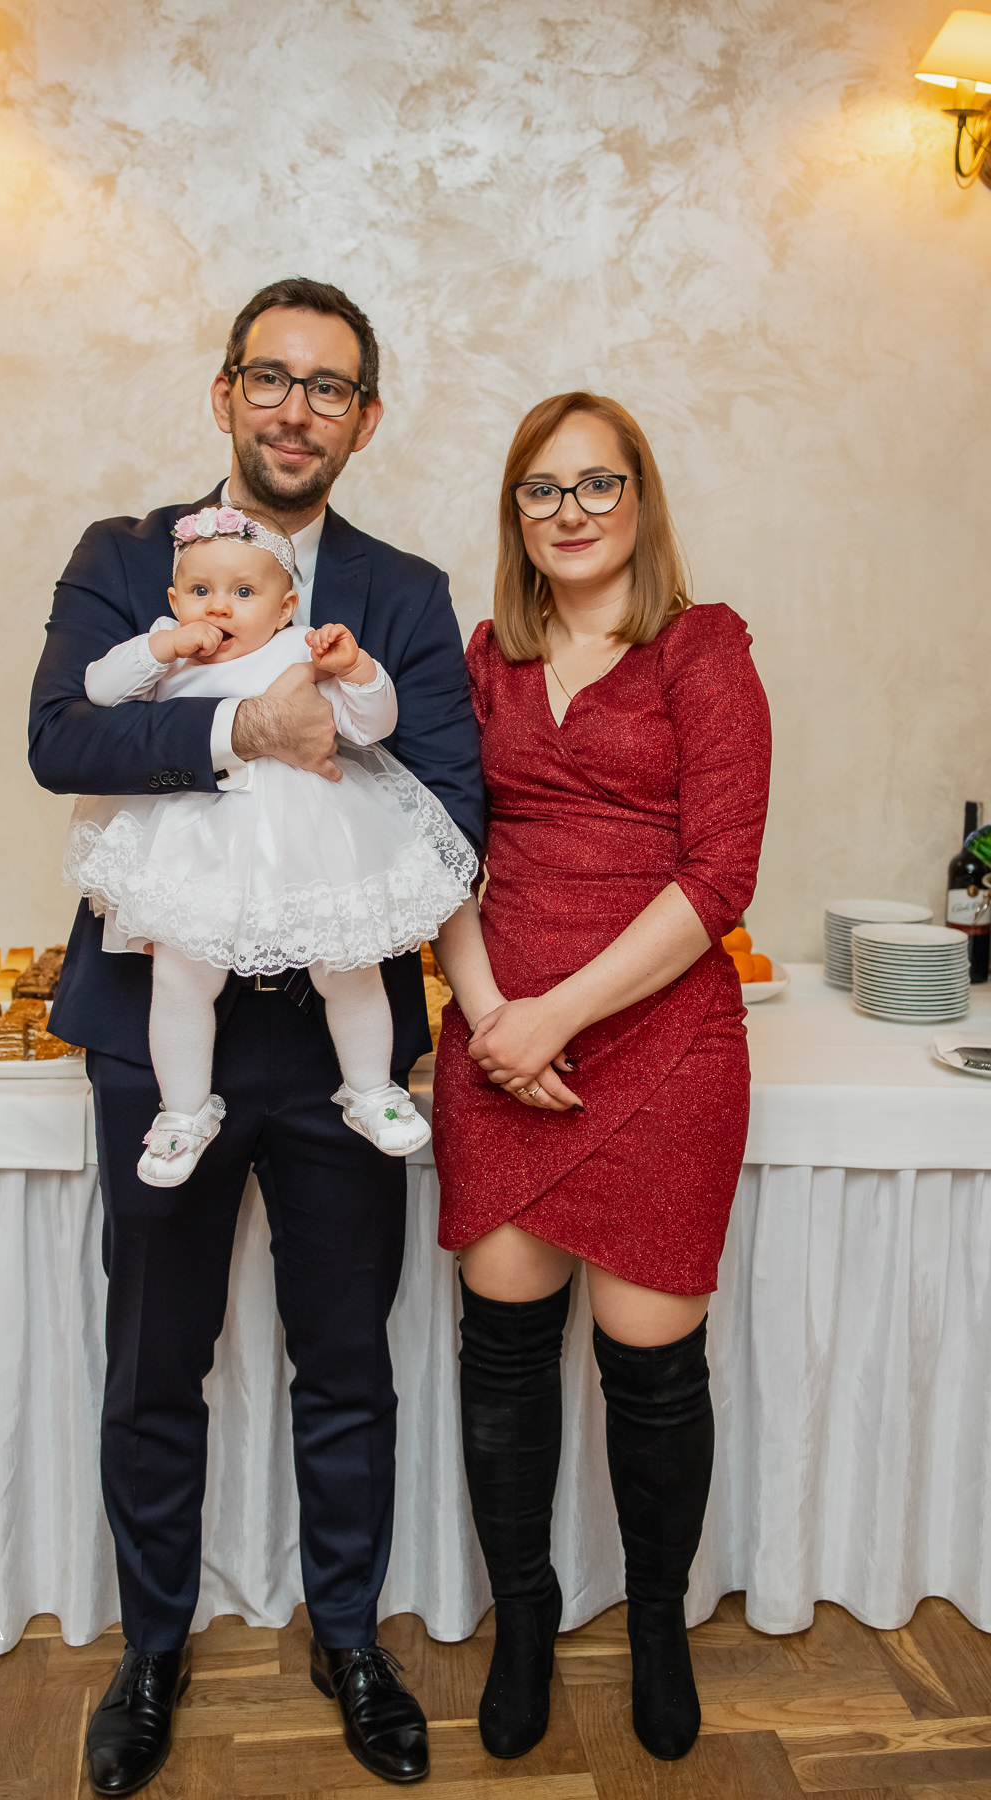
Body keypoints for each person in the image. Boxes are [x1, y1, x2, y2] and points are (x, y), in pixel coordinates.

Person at [29, 278, 483, 1791]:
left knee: (347, 1359)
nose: (298, 409)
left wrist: (336, 728)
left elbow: (455, 800)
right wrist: (242, 729)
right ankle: (152, 1653)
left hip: (340, 1037)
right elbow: (63, 738)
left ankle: (349, 1641)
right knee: (156, 1360)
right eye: (272, 378)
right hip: (161, 1027)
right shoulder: (126, 559)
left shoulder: (402, 594)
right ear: (223, 394)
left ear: (367, 419)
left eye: (330, 387)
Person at [431, 391, 771, 1764]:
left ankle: (656, 1627)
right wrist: (488, 1017)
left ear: (641, 498)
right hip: (496, 1037)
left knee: (655, 1371)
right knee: (506, 1358)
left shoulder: (703, 648)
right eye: (541, 489)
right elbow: (433, 849)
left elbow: (720, 876)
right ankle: (523, 1624)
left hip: (662, 1046)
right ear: (514, 512)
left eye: (596, 484)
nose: (568, 512)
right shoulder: (483, 660)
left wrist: (554, 1017)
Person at [65, 502, 474, 1180]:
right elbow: (98, 692)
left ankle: (371, 1089)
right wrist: (161, 647)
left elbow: (372, 726)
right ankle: (183, 1112)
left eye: (243, 592)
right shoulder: (166, 653)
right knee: (180, 977)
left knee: (347, 966)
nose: (219, 607)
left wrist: (357, 669)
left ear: (284, 609)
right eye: (200, 590)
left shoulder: (303, 650)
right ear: (174, 599)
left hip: (308, 845)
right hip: (200, 847)